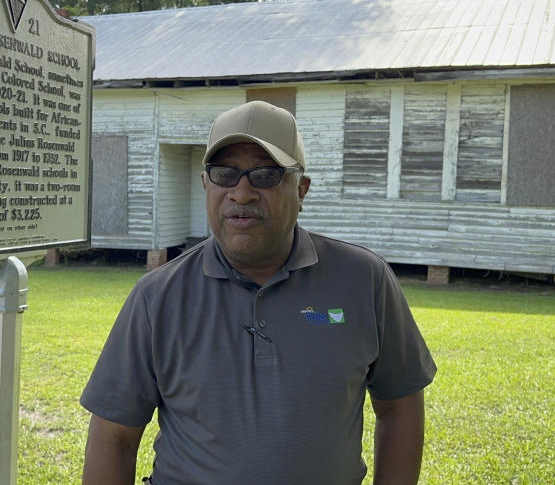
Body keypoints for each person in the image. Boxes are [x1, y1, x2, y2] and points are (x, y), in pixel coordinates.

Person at [80, 100, 436, 484]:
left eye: (265, 175)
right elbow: (114, 437)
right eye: (224, 174)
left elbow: (399, 408)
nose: (242, 192)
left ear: (301, 190)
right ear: (205, 184)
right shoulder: (157, 297)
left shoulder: (366, 281)